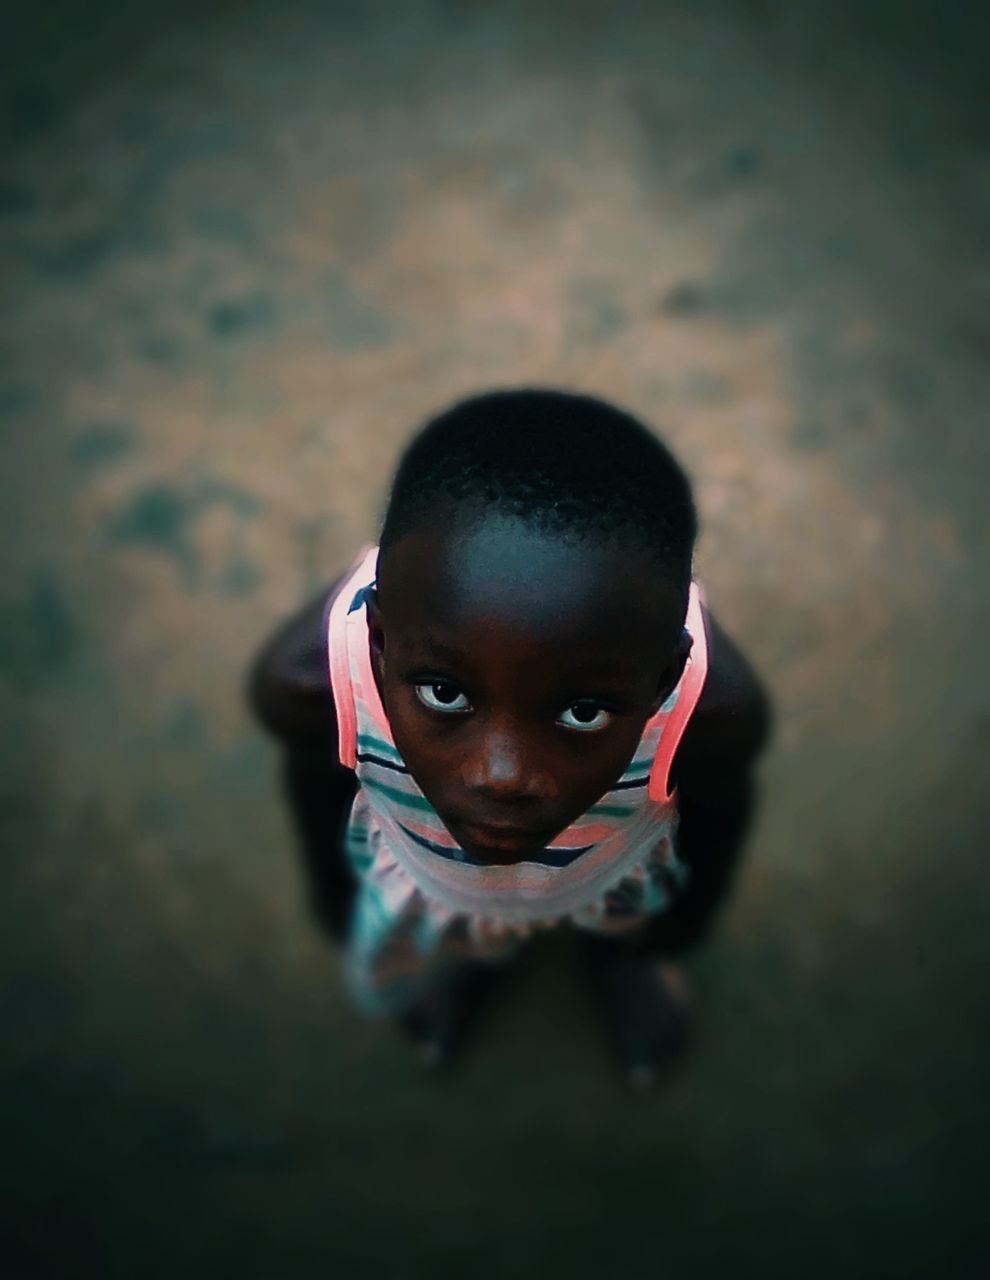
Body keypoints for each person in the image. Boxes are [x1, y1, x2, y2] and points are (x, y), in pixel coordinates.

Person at [248, 388, 771, 1086]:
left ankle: (620, 959)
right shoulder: (309, 688)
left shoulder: (713, 715)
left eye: (582, 711)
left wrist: (678, 932)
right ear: (377, 644)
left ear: (664, 679)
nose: (502, 774)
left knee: (623, 925)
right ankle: (470, 953)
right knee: (466, 925)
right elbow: (315, 784)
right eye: (445, 693)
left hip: (610, 872)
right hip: (435, 876)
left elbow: (715, 823)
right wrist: (334, 895)